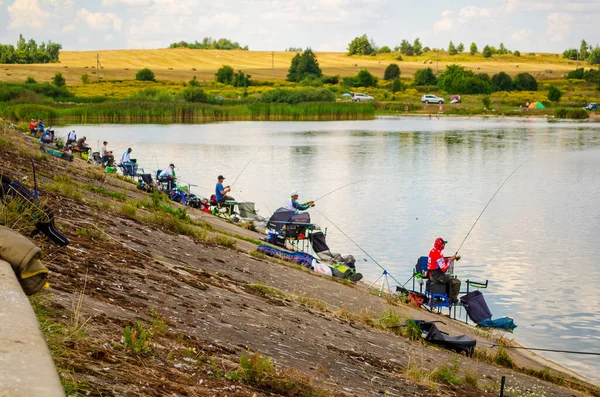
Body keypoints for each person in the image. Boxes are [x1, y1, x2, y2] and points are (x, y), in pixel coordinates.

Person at [427, 237, 461, 303]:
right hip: (436, 277)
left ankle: (447, 297)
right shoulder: (438, 254)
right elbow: (444, 269)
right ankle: (452, 300)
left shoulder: (433, 251)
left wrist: (449, 259)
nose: (444, 245)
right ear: (441, 245)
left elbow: (440, 261)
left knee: (449, 279)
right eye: (443, 244)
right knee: (457, 282)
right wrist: (450, 261)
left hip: (431, 275)